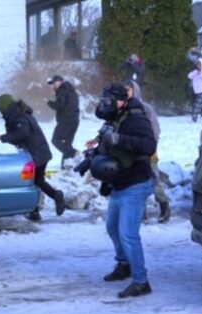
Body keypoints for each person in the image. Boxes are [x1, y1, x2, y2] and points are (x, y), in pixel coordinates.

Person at [90, 83, 156, 298]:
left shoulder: (136, 119)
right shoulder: (116, 118)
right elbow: (107, 141)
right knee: (112, 227)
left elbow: (149, 145)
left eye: (109, 100)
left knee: (128, 234)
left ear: (121, 101)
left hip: (135, 183)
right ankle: (124, 264)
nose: (105, 104)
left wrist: (119, 139)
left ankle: (141, 282)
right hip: (119, 183)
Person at [0, 93, 65, 222]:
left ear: (4, 106)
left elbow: (22, 133)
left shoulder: (18, 116)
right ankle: (39, 207)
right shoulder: (18, 113)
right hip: (38, 153)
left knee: (30, 182)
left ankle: (38, 208)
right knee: (36, 181)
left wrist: (2, 137)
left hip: (36, 154)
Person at [124, 80, 170, 224]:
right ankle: (141, 212)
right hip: (131, 152)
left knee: (153, 179)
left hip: (148, 151)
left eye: (128, 89)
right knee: (135, 181)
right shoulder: (123, 109)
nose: (126, 92)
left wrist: (150, 146)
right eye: (124, 90)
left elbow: (155, 129)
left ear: (135, 90)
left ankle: (164, 207)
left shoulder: (146, 108)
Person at [46, 75, 80, 169]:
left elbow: (59, 105)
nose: (53, 85)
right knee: (67, 145)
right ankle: (65, 166)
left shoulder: (62, 91)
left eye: (55, 83)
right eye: (53, 84)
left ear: (61, 81)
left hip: (66, 121)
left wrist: (49, 103)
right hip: (74, 120)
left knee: (56, 140)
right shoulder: (71, 90)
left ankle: (74, 153)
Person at [187, 58, 202, 122]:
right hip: (197, 91)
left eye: (199, 64)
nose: (198, 65)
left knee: (196, 105)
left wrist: (201, 74)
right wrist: (195, 72)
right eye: (197, 64)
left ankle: (194, 119)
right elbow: (189, 76)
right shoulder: (195, 71)